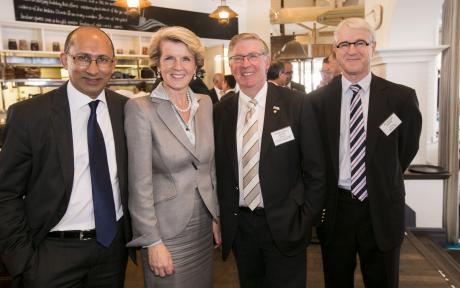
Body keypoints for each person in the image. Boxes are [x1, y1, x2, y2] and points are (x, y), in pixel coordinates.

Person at [0, 26, 132, 287]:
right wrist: (23, 260)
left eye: (102, 59)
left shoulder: (126, 110)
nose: (93, 70)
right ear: (65, 60)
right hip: (51, 253)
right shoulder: (29, 115)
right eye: (82, 58)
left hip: (111, 250)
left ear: (113, 64)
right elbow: (5, 193)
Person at [309, 18, 422, 288]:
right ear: (335, 50)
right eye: (344, 44)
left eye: (360, 42)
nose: (352, 50)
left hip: (382, 207)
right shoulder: (316, 102)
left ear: (373, 47)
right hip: (336, 209)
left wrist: (379, 175)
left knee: (383, 281)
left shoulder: (401, 98)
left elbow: (406, 149)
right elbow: (314, 157)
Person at [214, 33, 325, 287]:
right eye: (238, 58)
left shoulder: (296, 104)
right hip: (241, 227)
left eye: (253, 56)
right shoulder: (222, 110)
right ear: (230, 65)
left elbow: (316, 170)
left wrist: (305, 219)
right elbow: (219, 169)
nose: (246, 64)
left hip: (286, 225)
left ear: (267, 61)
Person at [125, 26, 221, 288]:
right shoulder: (140, 109)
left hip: (203, 224)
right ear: (157, 64)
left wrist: (216, 217)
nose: (177, 66)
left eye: (185, 58)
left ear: (196, 66)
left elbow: (208, 167)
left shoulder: (205, 103)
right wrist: (152, 241)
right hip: (165, 231)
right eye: (169, 58)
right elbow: (139, 184)